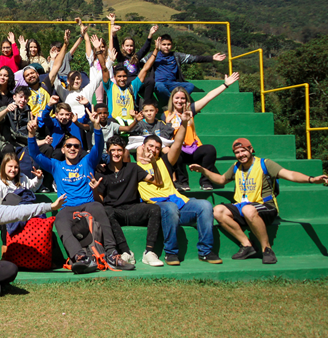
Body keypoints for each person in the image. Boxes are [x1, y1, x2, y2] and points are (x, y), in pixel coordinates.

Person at [191, 138, 328, 265]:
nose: (240, 155)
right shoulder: (236, 166)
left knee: (248, 209)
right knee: (217, 211)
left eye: (243, 151)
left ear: (251, 150)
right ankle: (247, 245)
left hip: (265, 206)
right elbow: (221, 180)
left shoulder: (265, 164)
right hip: (243, 207)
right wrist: (203, 170)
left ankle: (266, 249)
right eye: (237, 152)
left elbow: (290, 174)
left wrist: (312, 179)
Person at [26, 111, 135, 271]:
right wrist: (31, 133)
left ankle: (111, 254)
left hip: (88, 203)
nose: (72, 148)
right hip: (67, 206)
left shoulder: (87, 162)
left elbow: (98, 147)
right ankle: (80, 257)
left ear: (80, 149)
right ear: (62, 150)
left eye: (76, 146)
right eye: (68, 146)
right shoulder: (56, 165)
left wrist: (96, 127)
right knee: (59, 220)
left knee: (99, 209)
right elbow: (35, 153)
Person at [135, 117, 222, 265]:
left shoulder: (165, 162)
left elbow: (177, 143)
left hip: (178, 204)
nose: (153, 150)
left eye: (157, 147)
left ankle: (206, 251)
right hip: (158, 207)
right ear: (143, 146)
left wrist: (184, 123)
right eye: (150, 146)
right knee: (170, 208)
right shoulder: (134, 167)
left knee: (205, 206)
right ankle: (171, 252)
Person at [93, 136, 164, 267]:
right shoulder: (101, 173)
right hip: (114, 213)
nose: (116, 153)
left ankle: (149, 252)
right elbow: (100, 200)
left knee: (155, 209)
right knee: (106, 211)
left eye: (119, 150)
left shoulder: (133, 168)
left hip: (133, 209)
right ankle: (126, 252)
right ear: (108, 152)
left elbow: (158, 182)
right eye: (113, 150)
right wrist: (95, 190)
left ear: (124, 151)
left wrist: (153, 163)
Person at [163, 73, 240, 191]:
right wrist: (168, 123)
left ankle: (205, 181)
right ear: (172, 99)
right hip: (179, 152)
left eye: (183, 98)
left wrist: (225, 85)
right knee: (174, 150)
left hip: (193, 149)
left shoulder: (190, 110)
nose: (180, 101)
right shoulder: (166, 115)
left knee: (209, 149)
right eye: (177, 98)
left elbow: (208, 97)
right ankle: (182, 182)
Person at [145, 34, 227, 102]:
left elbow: (194, 58)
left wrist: (211, 58)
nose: (166, 47)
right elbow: (140, 62)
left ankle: (176, 101)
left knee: (190, 86)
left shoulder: (176, 56)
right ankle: (173, 103)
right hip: (160, 83)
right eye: (164, 44)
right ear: (159, 45)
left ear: (172, 45)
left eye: (169, 44)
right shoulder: (153, 55)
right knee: (160, 87)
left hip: (173, 84)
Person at [102, 42, 157, 127]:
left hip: (131, 124)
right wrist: (98, 51)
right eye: (119, 76)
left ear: (127, 77)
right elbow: (104, 69)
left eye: (124, 76)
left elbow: (145, 69)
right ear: (115, 78)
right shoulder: (110, 87)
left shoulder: (132, 86)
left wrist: (156, 50)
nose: (122, 79)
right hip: (115, 124)